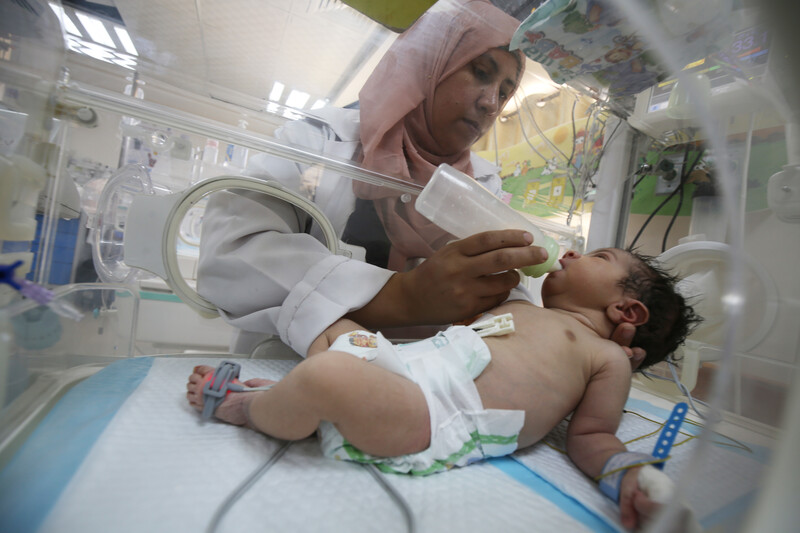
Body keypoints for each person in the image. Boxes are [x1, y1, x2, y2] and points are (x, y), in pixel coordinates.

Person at [195, 0, 644, 361]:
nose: (491, 103)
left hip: (422, 384)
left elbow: (507, 294)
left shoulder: (483, 184)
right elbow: (230, 258)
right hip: (290, 367)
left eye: (505, 92)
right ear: (429, 62)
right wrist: (402, 297)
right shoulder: (316, 142)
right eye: (481, 73)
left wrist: (576, 336)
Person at [186, 247, 700, 529]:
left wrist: (629, 475)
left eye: (599, 257)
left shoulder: (605, 357)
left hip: (435, 413)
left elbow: (591, 437)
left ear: (626, 311)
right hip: (402, 369)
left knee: (325, 376)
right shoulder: (523, 305)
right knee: (334, 333)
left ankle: (252, 408)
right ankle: (301, 402)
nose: (569, 252)